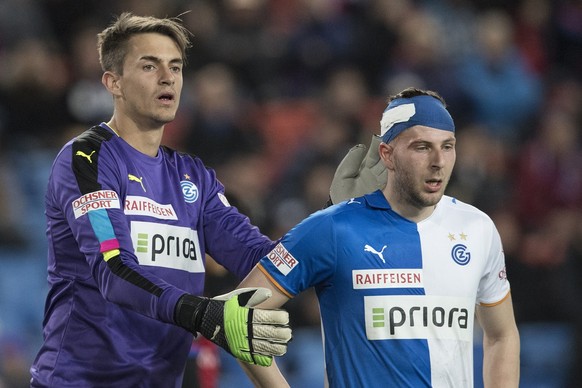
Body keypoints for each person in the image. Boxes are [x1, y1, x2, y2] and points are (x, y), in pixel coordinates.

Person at [29, 13, 293, 388]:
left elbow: (256, 254)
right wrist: (200, 313)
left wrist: (338, 225)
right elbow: (113, 268)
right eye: (149, 66)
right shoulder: (87, 159)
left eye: (176, 67)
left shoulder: (193, 176)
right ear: (113, 82)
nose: (167, 77)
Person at [237, 87, 521, 387]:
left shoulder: (477, 228)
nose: (438, 160)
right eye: (422, 147)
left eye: (447, 146)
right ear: (387, 154)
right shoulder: (333, 228)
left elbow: (502, 335)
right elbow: (237, 313)